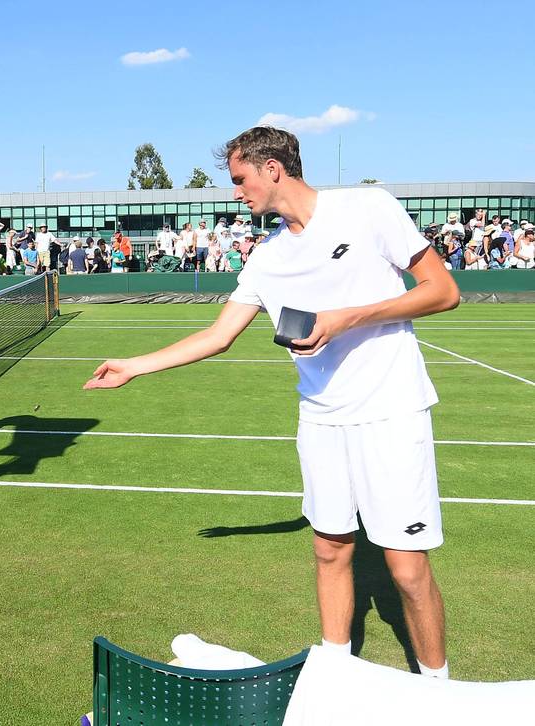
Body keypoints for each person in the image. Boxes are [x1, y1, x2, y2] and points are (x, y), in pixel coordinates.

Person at [85, 126, 459, 679]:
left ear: (273, 169)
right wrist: (135, 366)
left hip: (391, 410)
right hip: (321, 420)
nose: (236, 192)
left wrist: (344, 318)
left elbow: (443, 291)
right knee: (330, 550)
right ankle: (335, 677)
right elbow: (218, 336)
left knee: (406, 569)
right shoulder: (266, 258)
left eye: (240, 179)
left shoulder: (368, 207)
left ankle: (438, 690)